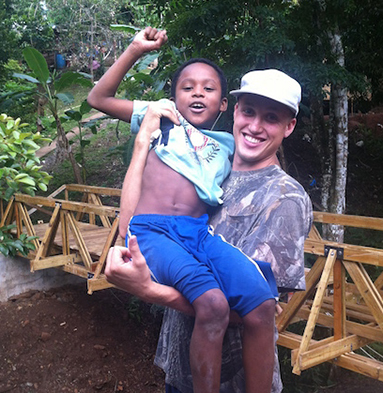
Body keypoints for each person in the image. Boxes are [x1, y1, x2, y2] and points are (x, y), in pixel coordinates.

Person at [88, 27, 279, 393]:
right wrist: (134, 50)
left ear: (224, 104)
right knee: (212, 303)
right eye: (187, 87)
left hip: (196, 233)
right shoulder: (160, 118)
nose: (197, 93)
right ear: (173, 96)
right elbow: (98, 97)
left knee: (262, 302)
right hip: (151, 231)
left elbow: (263, 150)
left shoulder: (227, 143)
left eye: (208, 89)